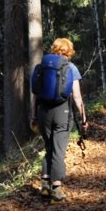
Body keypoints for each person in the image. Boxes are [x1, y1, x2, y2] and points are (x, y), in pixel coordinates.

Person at [30, 38, 88, 201]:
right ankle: (56, 187)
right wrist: (84, 118)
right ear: (69, 51)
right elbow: (76, 96)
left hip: (43, 113)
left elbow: (35, 95)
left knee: (49, 147)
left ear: (54, 49)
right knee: (58, 150)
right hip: (62, 112)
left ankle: (45, 185)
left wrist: (33, 116)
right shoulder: (70, 67)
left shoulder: (42, 67)